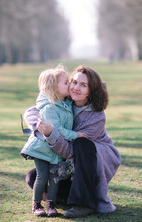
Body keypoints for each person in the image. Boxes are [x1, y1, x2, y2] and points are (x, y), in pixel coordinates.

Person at [24, 65, 121, 218]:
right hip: (69, 166)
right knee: (33, 177)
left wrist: (51, 133)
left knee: (81, 143)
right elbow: (32, 111)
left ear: (92, 91)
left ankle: (84, 203)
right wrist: (40, 125)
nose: (76, 87)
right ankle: (65, 198)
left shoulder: (96, 116)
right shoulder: (65, 99)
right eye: (74, 82)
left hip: (94, 159)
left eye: (84, 85)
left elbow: (70, 152)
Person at [20, 65, 87, 217]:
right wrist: (75, 135)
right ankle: (36, 205)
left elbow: (89, 91)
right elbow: (57, 130)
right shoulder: (49, 108)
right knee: (42, 176)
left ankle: (51, 204)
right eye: (66, 83)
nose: (70, 85)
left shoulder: (67, 103)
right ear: (54, 88)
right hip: (42, 149)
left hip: (55, 150)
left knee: (54, 177)